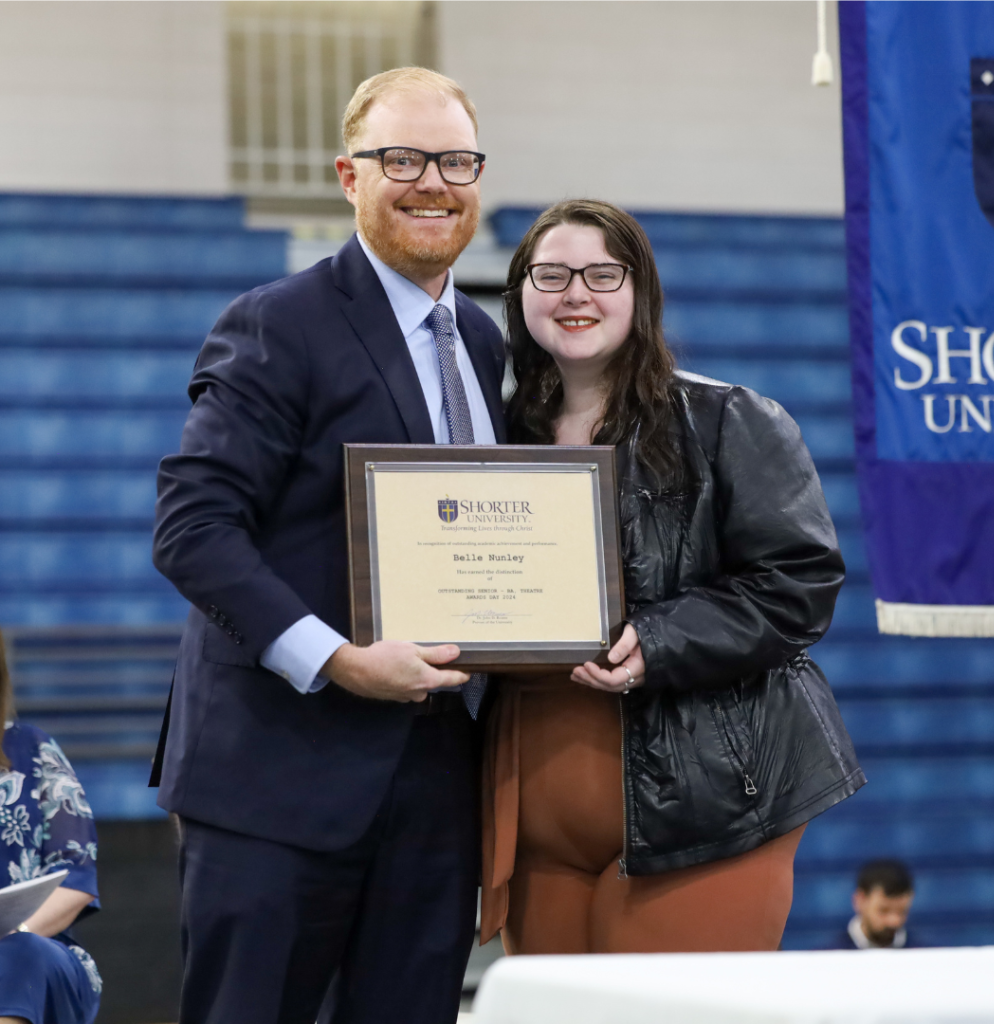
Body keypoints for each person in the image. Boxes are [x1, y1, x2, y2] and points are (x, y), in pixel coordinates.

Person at [150, 67, 505, 1024]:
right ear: (350, 176)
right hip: (277, 777)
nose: (434, 181)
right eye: (405, 159)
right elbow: (192, 527)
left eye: (457, 161)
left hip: (433, 788)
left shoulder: (479, 338)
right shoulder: (279, 322)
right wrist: (338, 660)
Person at [481, 199, 866, 954]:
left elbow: (799, 584)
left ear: (641, 292)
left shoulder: (728, 419)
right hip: (535, 810)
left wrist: (658, 640)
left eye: (602, 273)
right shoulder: (492, 435)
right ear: (519, 291)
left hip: (704, 805)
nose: (575, 293)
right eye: (550, 273)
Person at [0, 630, 102, 1024]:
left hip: (33, 949)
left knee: (18, 957)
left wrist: (16, 933)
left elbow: (74, 882)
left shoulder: (33, 750)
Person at [835, 859, 917, 949]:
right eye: (884, 910)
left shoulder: (924, 956)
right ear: (859, 901)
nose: (894, 921)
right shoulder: (827, 957)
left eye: (902, 912)